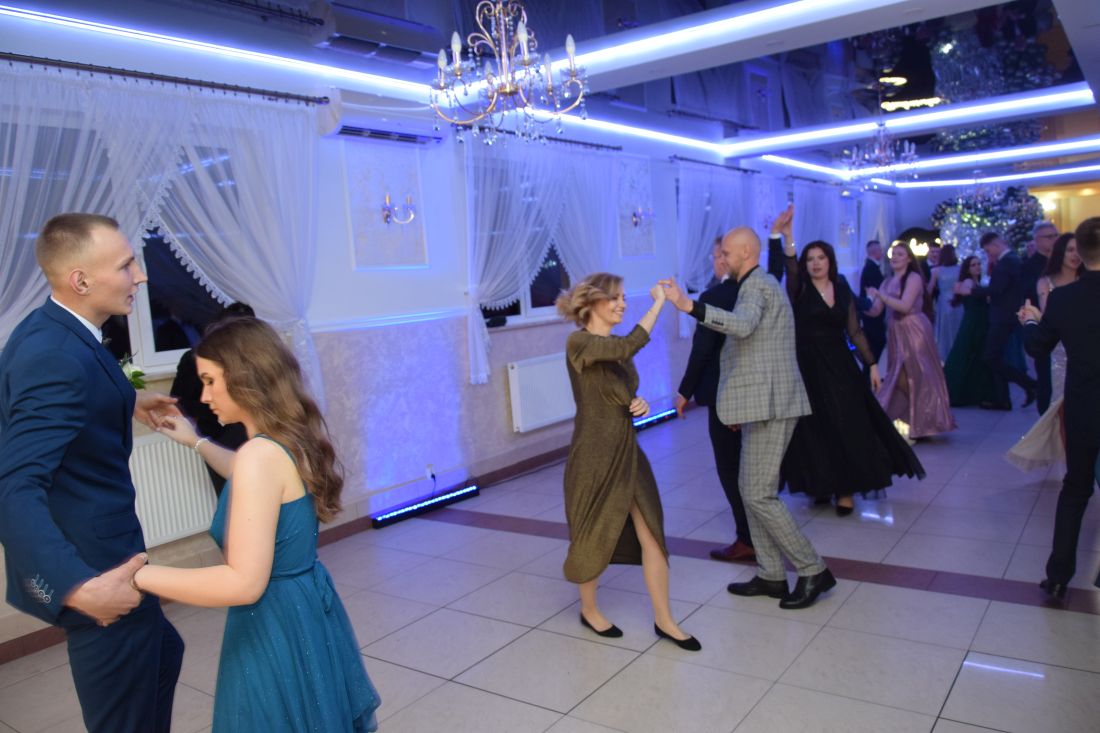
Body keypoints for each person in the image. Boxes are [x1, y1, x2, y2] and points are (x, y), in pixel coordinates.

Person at [135, 317, 382, 730]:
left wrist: (139, 576)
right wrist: (196, 441)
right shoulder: (286, 439)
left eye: (210, 381)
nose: (204, 396)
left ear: (245, 377)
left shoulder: (258, 456)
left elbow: (243, 584)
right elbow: (252, 479)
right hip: (305, 605)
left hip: (273, 619)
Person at [0, 213, 184, 733]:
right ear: (80, 280)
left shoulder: (57, 328)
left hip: (111, 551)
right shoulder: (53, 355)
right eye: (126, 266)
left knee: (164, 655)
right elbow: (14, 488)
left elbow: (71, 393)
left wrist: (128, 399)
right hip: (97, 570)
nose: (140, 276)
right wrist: (76, 588)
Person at [663, 222, 836, 611]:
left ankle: (813, 569)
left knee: (758, 493)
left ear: (746, 253)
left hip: (774, 405)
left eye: (726, 252)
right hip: (762, 404)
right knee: (749, 489)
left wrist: (689, 306)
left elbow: (741, 326)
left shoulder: (757, 286)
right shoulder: (755, 284)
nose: (721, 258)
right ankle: (771, 574)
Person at [556, 273, 700, 650]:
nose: (622, 304)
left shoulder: (616, 349)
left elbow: (621, 388)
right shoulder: (578, 343)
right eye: (615, 298)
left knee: (652, 530)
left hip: (628, 451)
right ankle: (589, 610)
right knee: (591, 532)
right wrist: (659, 303)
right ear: (592, 302)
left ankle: (665, 620)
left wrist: (637, 403)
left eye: (623, 298)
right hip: (593, 456)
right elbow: (626, 348)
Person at [778, 230, 925, 515]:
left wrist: (871, 364)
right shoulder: (800, 290)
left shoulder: (842, 288)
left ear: (830, 261)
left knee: (846, 423)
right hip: (807, 367)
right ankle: (821, 484)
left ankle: (845, 489)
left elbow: (854, 331)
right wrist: (788, 238)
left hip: (840, 365)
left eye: (821, 258)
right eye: (810, 259)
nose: (815, 263)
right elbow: (791, 269)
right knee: (813, 427)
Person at [1019, 217, 1100, 601]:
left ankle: (1057, 577)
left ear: (1079, 253)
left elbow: (1038, 346)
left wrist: (1030, 322)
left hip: (1083, 406)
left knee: (1075, 490)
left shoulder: (1065, 298)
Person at [675, 241, 754, 563]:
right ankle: (758, 534)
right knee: (755, 468)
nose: (716, 260)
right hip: (759, 392)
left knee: (731, 468)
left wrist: (685, 391)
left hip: (726, 394)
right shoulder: (760, 291)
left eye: (720, 255)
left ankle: (747, 538)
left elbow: (703, 350)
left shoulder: (715, 297)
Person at [1007, 233, 1084, 471]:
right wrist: (1033, 319)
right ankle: (1070, 460)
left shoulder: (1088, 280)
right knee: (1061, 405)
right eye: (1070, 250)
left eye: (1078, 250)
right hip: (1060, 349)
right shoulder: (1046, 282)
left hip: (1085, 347)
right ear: (1060, 252)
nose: (1075, 255)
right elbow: (1050, 316)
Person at [866, 243, 956, 438]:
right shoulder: (886, 282)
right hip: (896, 332)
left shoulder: (913, 278)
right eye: (893, 254)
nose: (895, 257)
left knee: (920, 374)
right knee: (899, 376)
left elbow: (905, 306)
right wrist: (857, 305)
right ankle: (915, 418)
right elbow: (876, 310)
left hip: (915, 330)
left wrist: (881, 295)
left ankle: (926, 421)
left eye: (900, 254)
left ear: (908, 259)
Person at [171, 302, 256, 495]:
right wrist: (215, 416)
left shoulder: (254, 362)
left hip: (251, 433)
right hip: (219, 436)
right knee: (229, 496)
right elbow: (179, 399)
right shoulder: (193, 359)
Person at [957, 232, 1037, 410]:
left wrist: (970, 291)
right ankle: (1004, 399)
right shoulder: (1012, 260)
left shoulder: (1006, 262)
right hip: (1005, 315)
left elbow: (996, 289)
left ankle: (1030, 384)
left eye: (988, 250)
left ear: (995, 245)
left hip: (1003, 317)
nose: (988, 254)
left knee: (991, 357)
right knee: (995, 357)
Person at [944, 256, 998, 407]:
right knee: (967, 353)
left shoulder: (978, 282)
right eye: (973, 265)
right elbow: (962, 290)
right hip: (973, 323)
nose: (977, 267)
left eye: (979, 264)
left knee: (975, 355)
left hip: (979, 322)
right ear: (967, 269)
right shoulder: (968, 282)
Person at [1023, 222, 1059, 414]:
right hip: (1043, 327)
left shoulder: (1063, 262)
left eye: (1055, 235)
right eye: (1049, 236)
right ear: (1037, 240)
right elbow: (1027, 297)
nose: (1054, 240)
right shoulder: (1029, 266)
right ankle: (1045, 418)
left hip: (1065, 326)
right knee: (1045, 376)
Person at [928, 244, 963, 362]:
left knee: (944, 332)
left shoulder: (936, 271)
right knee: (958, 329)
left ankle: (946, 358)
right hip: (958, 303)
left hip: (944, 304)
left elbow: (929, 290)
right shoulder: (960, 269)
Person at [858, 239, 887, 367]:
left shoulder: (870, 267)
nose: (882, 252)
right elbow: (873, 293)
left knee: (875, 344)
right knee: (876, 343)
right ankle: (869, 374)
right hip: (873, 314)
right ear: (875, 251)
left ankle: (870, 372)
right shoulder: (872, 269)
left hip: (872, 314)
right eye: (880, 250)